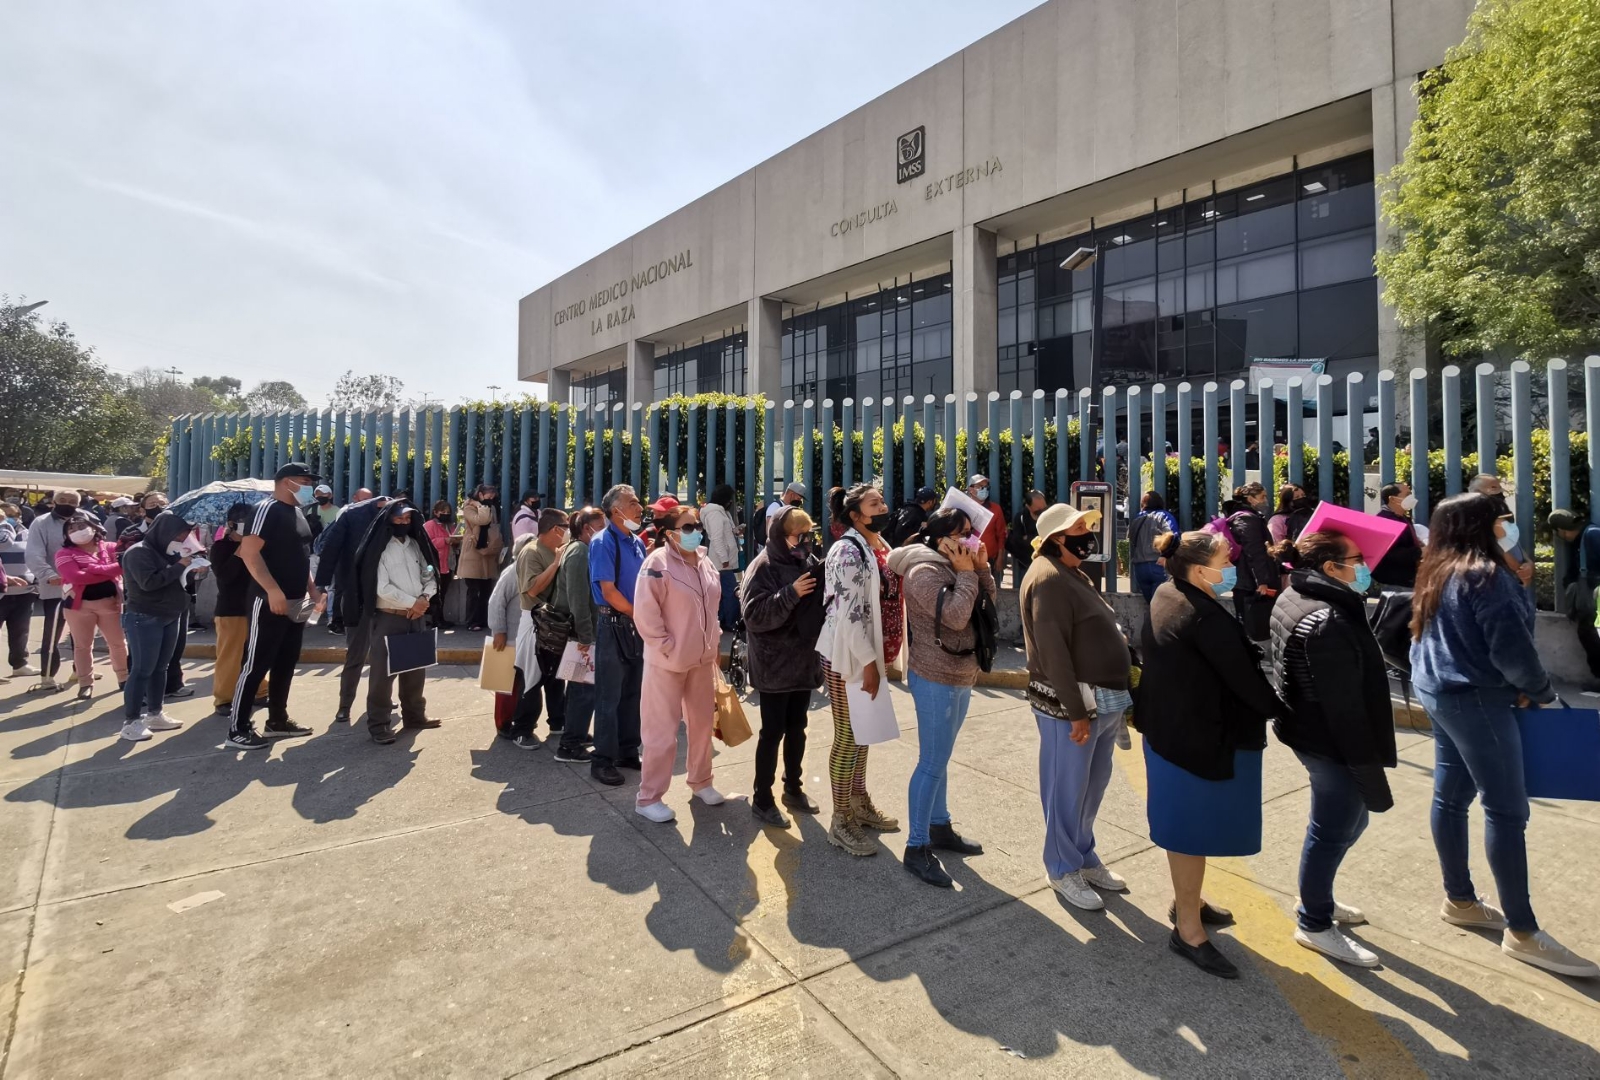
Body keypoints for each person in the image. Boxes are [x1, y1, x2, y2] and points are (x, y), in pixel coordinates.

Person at [1410, 493, 1598, 977]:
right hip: (1477, 698)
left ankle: (1460, 899)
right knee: (1507, 811)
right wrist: (1539, 692)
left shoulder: (1438, 568)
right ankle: (1523, 930)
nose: (1508, 526)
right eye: (1501, 519)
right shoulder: (1485, 576)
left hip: (1440, 692)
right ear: (1481, 525)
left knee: (1451, 799)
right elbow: (1512, 649)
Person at [1136, 529, 1288, 979]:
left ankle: (1189, 902)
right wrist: (1286, 712)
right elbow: (1247, 683)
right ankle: (1188, 930)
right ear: (1200, 570)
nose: (1232, 568)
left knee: (1187, 832)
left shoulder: (1169, 591)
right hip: (1193, 742)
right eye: (1226, 561)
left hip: (1172, 732)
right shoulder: (1202, 615)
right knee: (1189, 835)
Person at [1269, 530, 1396, 968]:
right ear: (1330, 568)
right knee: (1333, 828)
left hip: (1309, 733)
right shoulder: (1328, 620)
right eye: (1357, 559)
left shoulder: (1298, 595)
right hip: (1329, 742)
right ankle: (1314, 921)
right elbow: (1344, 710)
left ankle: (1319, 895)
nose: (1365, 567)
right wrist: (1367, 768)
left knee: (1347, 822)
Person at [1019, 503, 1134, 908]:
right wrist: (1074, 710)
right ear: (1056, 539)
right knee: (1066, 789)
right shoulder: (1048, 578)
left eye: (1088, 525)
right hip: (1075, 703)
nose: (1089, 532)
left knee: (1091, 786)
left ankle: (1083, 855)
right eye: (1080, 528)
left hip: (1103, 699)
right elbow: (1052, 652)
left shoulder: (1071, 573)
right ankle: (1062, 867)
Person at [887, 508, 996, 887]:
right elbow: (955, 617)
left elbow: (988, 605)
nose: (970, 540)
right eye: (962, 534)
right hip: (935, 677)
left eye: (971, 532)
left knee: (942, 757)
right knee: (932, 761)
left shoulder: (956, 565)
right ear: (940, 538)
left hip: (962, 673)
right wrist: (967, 574)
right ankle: (916, 847)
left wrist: (980, 569)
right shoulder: (923, 572)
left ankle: (940, 826)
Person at [815, 482, 903, 856]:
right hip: (847, 656)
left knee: (863, 733)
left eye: (882, 500)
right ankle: (840, 820)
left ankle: (858, 802)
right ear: (855, 515)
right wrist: (869, 664)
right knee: (849, 737)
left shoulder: (871, 546)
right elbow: (849, 613)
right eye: (874, 503)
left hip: (868, 655)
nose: (883, 506)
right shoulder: (846, 552)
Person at [632, 504, 725, 823]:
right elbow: (645, 612)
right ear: (669, 533)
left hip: (702, 660)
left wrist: (713, 640)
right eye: (687, 527)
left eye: (696, 525)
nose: (695, 531)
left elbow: (712, 607)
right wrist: (667, 647)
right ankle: (649, 797)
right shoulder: (656, 563)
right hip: (667, 663)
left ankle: (701, 781)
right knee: (661, 732)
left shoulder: (705, 560)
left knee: (701, 726)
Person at [228, 463, 325, 751]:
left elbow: (301, 556)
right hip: (269, 600)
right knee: (256, 664)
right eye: (304, 480)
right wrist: (272, 590)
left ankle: (277, 721)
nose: (310, 486)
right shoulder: (265, 508)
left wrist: (313, 590)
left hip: (298, 601)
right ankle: (238, 728)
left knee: (287, 661)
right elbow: (248, 552)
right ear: (285, 482)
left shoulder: (297, 512)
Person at [741, 506, 826, 827]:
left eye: (808, 535)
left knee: (798, 729)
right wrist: (790, 594)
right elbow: (754, 615)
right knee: (772, 733)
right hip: (774, 666)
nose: (805, 542)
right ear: (779, 535)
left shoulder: (806, 561)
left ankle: (793, 787)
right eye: (798, 536)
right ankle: (763, 797)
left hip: (803, 664)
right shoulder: (762, 567)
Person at [352, 501, 440, 744]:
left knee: (415, 670)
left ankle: (414, 716)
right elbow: (381, 588)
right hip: (390, 616)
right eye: (398, 519)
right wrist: (413, 602)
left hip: (416, 615)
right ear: (387, 520)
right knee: (383, 675)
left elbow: (429, 572)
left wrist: (424, 597)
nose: (403, 523)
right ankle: (378, 725)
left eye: (407, 519)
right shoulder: (379, 548)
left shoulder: (415, 545)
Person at [119, 513, 204, 742]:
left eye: (185, 535)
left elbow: (173, 577)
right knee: (142, 669)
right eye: (180, 535)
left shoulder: (169, 551)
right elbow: (149, 583)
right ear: (165, 532)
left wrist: (190, 568)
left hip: (169, 614)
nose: (182, 539)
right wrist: (180, 567)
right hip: (144, 616)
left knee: (160, 668)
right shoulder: (138, 552)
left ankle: (155, 713)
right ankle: (131, 721)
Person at [314, 493, 393, 722]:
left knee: (387, 657)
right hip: (358, 598)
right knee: (355, 656)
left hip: (390, 601)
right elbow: (329, 548)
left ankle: (382, 700)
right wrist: (322, 584)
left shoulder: (398, 517)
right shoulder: (351, 515)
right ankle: (345, 704)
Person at [588, 484, 647, 787]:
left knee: (633, 692)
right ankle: (602, 759)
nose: (639, 507)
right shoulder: (603, 541)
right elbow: (608, 591)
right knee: (609, 695)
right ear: (615, 511)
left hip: (635, 624)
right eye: (632, 503)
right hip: (613, 624)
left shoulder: (637, 542)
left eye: (638, 502)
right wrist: (640, 613)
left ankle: (627, 750)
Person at [510, 508, 570, 744]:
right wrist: (555, 564)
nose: (568, 531)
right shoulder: (532, 552)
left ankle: (558, 722)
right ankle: (522, 729)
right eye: (566, 527)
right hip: (536, 621)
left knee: (556, 676)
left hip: (556, 623)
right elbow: (532, 589)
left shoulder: (558, 550)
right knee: (532, 676)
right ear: (556, 529)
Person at [54, 512, 128, 700]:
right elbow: (75, 577)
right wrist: (107, 571)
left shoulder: (111, 548)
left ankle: (124, 678)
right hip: (79, 607)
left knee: (118, 643)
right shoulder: (64, 554)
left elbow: (123, 566)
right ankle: (85, 683)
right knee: (82, 646)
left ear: (94, 528)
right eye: (71, 529)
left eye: (81, 527)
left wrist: (94, 569)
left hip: (110, 603)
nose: (78, 531)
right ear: (66, 534)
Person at [549, 507, 603, 763]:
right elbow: (578, 600)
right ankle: (570, 745)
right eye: (600, 526)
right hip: (579, 635)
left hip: (579, 633)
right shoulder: (579, 553)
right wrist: (585, 638)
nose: (604, 531)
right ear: (586, 528)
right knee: (583, 690)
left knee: (578, 688)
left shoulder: (580, 549)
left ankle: (576, 733)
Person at [210, 502, 268, 718]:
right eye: (244, 523)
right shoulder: (220, 548)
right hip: (231, 609)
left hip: (256, 606)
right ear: (232, 524)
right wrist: (241, 551)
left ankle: (260, 691)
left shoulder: (259, 545)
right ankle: (224, 698)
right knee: (230, 656)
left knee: (256, 653)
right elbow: (225, 577)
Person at [23, 488, 81, 691]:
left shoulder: (87, 519)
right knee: (52, 633)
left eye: (72, 500)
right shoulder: (41, 523)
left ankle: (81, 670)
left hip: (84, 587)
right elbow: (33, 554)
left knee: (82, 633)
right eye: (62, 499)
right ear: (54, 502)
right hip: (55, 587)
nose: (67, 503)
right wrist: (49, 575)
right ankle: (47, 676)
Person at [1549, 508, 1600, 684]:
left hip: (1596, 600)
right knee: (1588, 632)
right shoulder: (1583, 539)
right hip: (1592, 602)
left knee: (1590, 634)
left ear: (1561, 531)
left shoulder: (1593, 535)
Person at [487, 541, 531, 741]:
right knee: (506, 684)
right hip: (509, 638)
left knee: (523, 684)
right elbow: (496, 601)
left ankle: (518, 720)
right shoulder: (513, 573)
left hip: (526, 638)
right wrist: (499, 630)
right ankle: (504, 723)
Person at [1225, 482, 1279, 642]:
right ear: (1250, 499)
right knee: (1253, 628)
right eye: (1262, 497)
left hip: (1245, 581)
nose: (1265, 501)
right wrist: (1261, 581)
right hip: (1249, 583)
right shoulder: (1248, 519)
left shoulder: (1242, 516)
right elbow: (1254, 552)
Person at [1467, 475, 1533, 586]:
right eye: (1493, 488)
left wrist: (1529, 563)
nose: (1499, 491)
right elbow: (1499, 550)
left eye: (1499, 487)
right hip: (1498, 582)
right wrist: (1521, 573)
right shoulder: (1475, 519)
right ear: (1477, 492)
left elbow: (1513, 543)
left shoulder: (1501, 513)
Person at [457, 483, 504, 631]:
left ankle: (483, 619)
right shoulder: (469, 508)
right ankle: (472, 621)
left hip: (487, 551)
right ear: (480, 494)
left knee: (486, 589)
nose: (491, 499)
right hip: (473, 552)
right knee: (473, 590)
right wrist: (479, 505)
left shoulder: (492, 508)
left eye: (493, 497)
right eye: (488, 496)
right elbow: (482, 520)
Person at [701, 484, 743, 631]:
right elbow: (717, 538)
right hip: (722, 562)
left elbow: (725, 533)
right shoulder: (715, 514)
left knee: (725, 592)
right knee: (731, 592)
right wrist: (724, 559)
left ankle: (724, 621)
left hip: (725, 561)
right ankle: (730, 622)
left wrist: (736, 531)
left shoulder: (722, 512)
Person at [0, 507, 36, 681]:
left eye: (16, 516)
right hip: (2, 591)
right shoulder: (4, 534)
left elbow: (35, 556)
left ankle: (20, 664)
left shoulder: (27, 533)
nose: (13, 520)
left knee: (20, 630)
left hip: (24, 590)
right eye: (8, 516)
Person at [1128, 491, 1177, 603]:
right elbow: (1173, 536)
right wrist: (1166, 555)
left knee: (1152, 605)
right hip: (1158, 565)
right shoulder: (1164, 516)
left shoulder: (1136, 519)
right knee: (1161, 607)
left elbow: (1131, 538)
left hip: (1140, 567)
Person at [1372, 482, 1422, 588]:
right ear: (1393, 499)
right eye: (1407, 494)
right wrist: (1419, 552)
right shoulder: (1384, 521)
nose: (1410, 497)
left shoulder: (1402, 517)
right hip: (1393, 580)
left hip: (1406, 578)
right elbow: (1389, 553)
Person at [423, 500, 458, 629]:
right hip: (434, 564)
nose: (445, 514)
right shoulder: (429, 525)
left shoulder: (449, 525)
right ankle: (433, 619)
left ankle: (439, 618)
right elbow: (427, 543)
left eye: (448, 512)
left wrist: (455, 541)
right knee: (434, 594)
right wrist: (444, 540)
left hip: (447, 564)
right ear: (435, 512)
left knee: (442, 593)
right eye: (442, 512)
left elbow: (454, 537)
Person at [965, 475, 1007, 580]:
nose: (984, 489)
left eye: (986, 487)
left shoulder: (995, 509)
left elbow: (1001, 534)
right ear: (970, 489)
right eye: (979, 486)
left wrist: (1000, 557)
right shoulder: (963, 507)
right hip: (966, 559)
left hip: (989, 559)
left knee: (991, 592)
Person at [1004, 490, 1048, 579]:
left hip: (1046, 563)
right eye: (1038, 509)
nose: (1042, 511)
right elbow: (1018, 540)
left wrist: (1028, 538)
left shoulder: (1049, 516)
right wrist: (1037, 538)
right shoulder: (1021, 518)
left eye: (1044, 508)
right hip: (1026, 564)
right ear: (1028, 506)